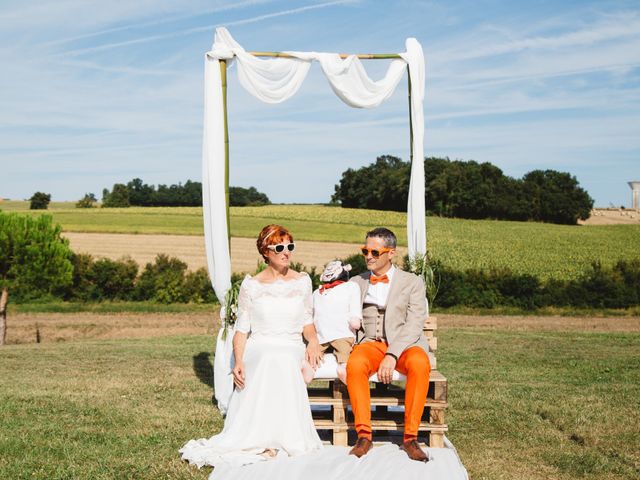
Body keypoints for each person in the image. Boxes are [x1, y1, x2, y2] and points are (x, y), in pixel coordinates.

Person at [180, 224, 324, 468]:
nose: (286, 252)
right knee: (266, 354)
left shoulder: (302, 281)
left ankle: (285, 435)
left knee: (281, 356)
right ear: (265, 252)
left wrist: (313, 341)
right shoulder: (252, 284)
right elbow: (242, 329)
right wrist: (238, 361)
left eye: (290, 246)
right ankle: (260, 437)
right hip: (260, 342)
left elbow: (307, 322)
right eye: (279, 247)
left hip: (289, 343)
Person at [346, 227, 431, 462]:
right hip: (370, 342)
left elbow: (414, 324)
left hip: (404, 344)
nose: (368, 256)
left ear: (391, 253)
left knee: (420, 364)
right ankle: (364, 436)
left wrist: (392, 354)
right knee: (355, 365)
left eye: (374, 251)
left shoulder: (412, 282)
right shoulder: (356, 282)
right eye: (365, 250)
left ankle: (410, 438)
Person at [310, 260, 362, 384]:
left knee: (313, 354)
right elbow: (354, 312)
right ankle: (343, 366)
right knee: (344, 352)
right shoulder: (352, 287)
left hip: (321, 336)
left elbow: (312, 316)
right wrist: (356, 320)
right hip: (342, 334)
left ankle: (308, 367)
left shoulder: (317, 293)